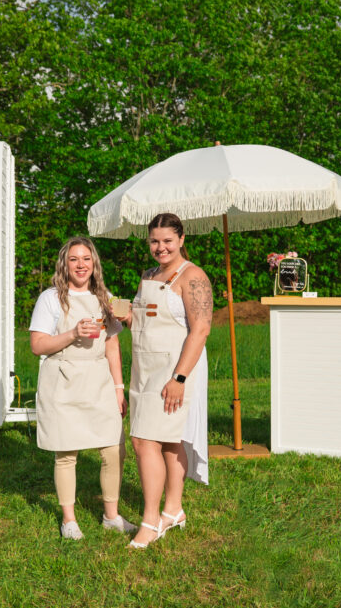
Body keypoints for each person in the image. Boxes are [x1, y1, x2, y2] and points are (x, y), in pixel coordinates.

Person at [29, 236, 136, 539]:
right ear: (64, 264)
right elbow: (37, 345)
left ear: (94, 264)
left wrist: (118, 387)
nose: (80, 265)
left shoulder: (106, 297)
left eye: (86, 259)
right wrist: (73, 333)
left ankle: (111, 516)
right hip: (63, 380)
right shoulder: (50, 298)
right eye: (74, 259)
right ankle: (69, 520)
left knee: (114, 449)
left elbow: (112, 344)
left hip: (98, 381)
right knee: (66, 453)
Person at [122, 213, 211, 549]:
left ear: (182, 240)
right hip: (145, 368)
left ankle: (150, 522)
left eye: (167, 241)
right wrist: (126, 315)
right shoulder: (148, 275)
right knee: (169, 440)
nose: (160, 247)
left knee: (145, 442)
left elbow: (201, 329)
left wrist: (179, 378)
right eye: (154, 241)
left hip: (177, 369)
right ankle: (174, 510)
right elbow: (145, 323)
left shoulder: (193, 277)